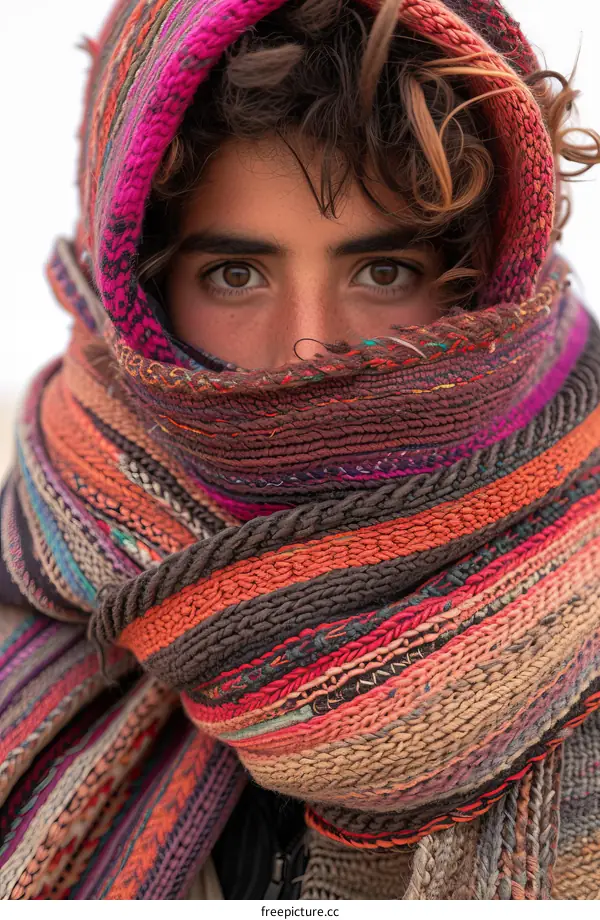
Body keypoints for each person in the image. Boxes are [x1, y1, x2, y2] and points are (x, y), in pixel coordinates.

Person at [1, 0, 600, 900]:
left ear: (482, 276)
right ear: (139, 292)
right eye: (235, 274)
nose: (309, 349)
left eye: (383, 271)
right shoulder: (43, 562)